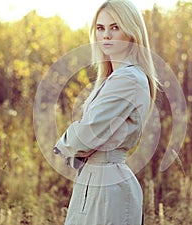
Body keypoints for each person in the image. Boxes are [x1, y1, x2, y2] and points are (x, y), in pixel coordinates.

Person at [53, 0, 159, 224]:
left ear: (131, 32)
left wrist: (63, 144)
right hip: (96, 178)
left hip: (107, 185)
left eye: (115, 27)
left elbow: (89, 132)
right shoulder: (113, 77)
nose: (106, 36)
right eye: (100, 28)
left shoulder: (128, 78)